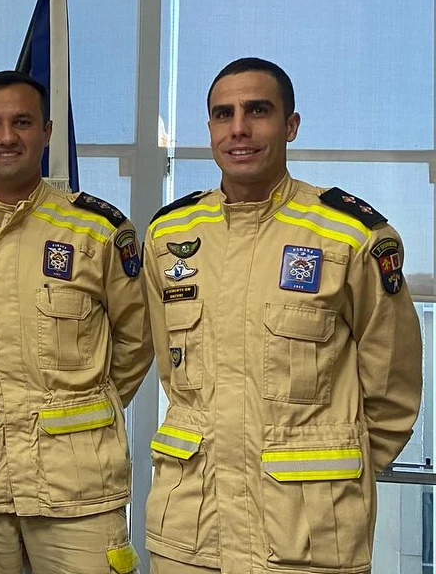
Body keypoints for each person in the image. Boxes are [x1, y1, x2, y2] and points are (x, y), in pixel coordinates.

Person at [142, 57, 422, 574]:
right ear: (210, 129)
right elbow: (169, 368)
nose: (239, 128)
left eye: (258, 111)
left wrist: (335, 472)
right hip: (191, 531)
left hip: (309, 533)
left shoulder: (350, 236)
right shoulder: (169, 235)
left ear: (290, 125)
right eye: (223, 114)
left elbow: (393, 389)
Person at [0, 71, 151, 573]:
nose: (6, 136)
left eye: (22, 122)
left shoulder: (98, 230)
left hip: (77, 486)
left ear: (47, 132)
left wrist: (79, 410)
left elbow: (137, 340)